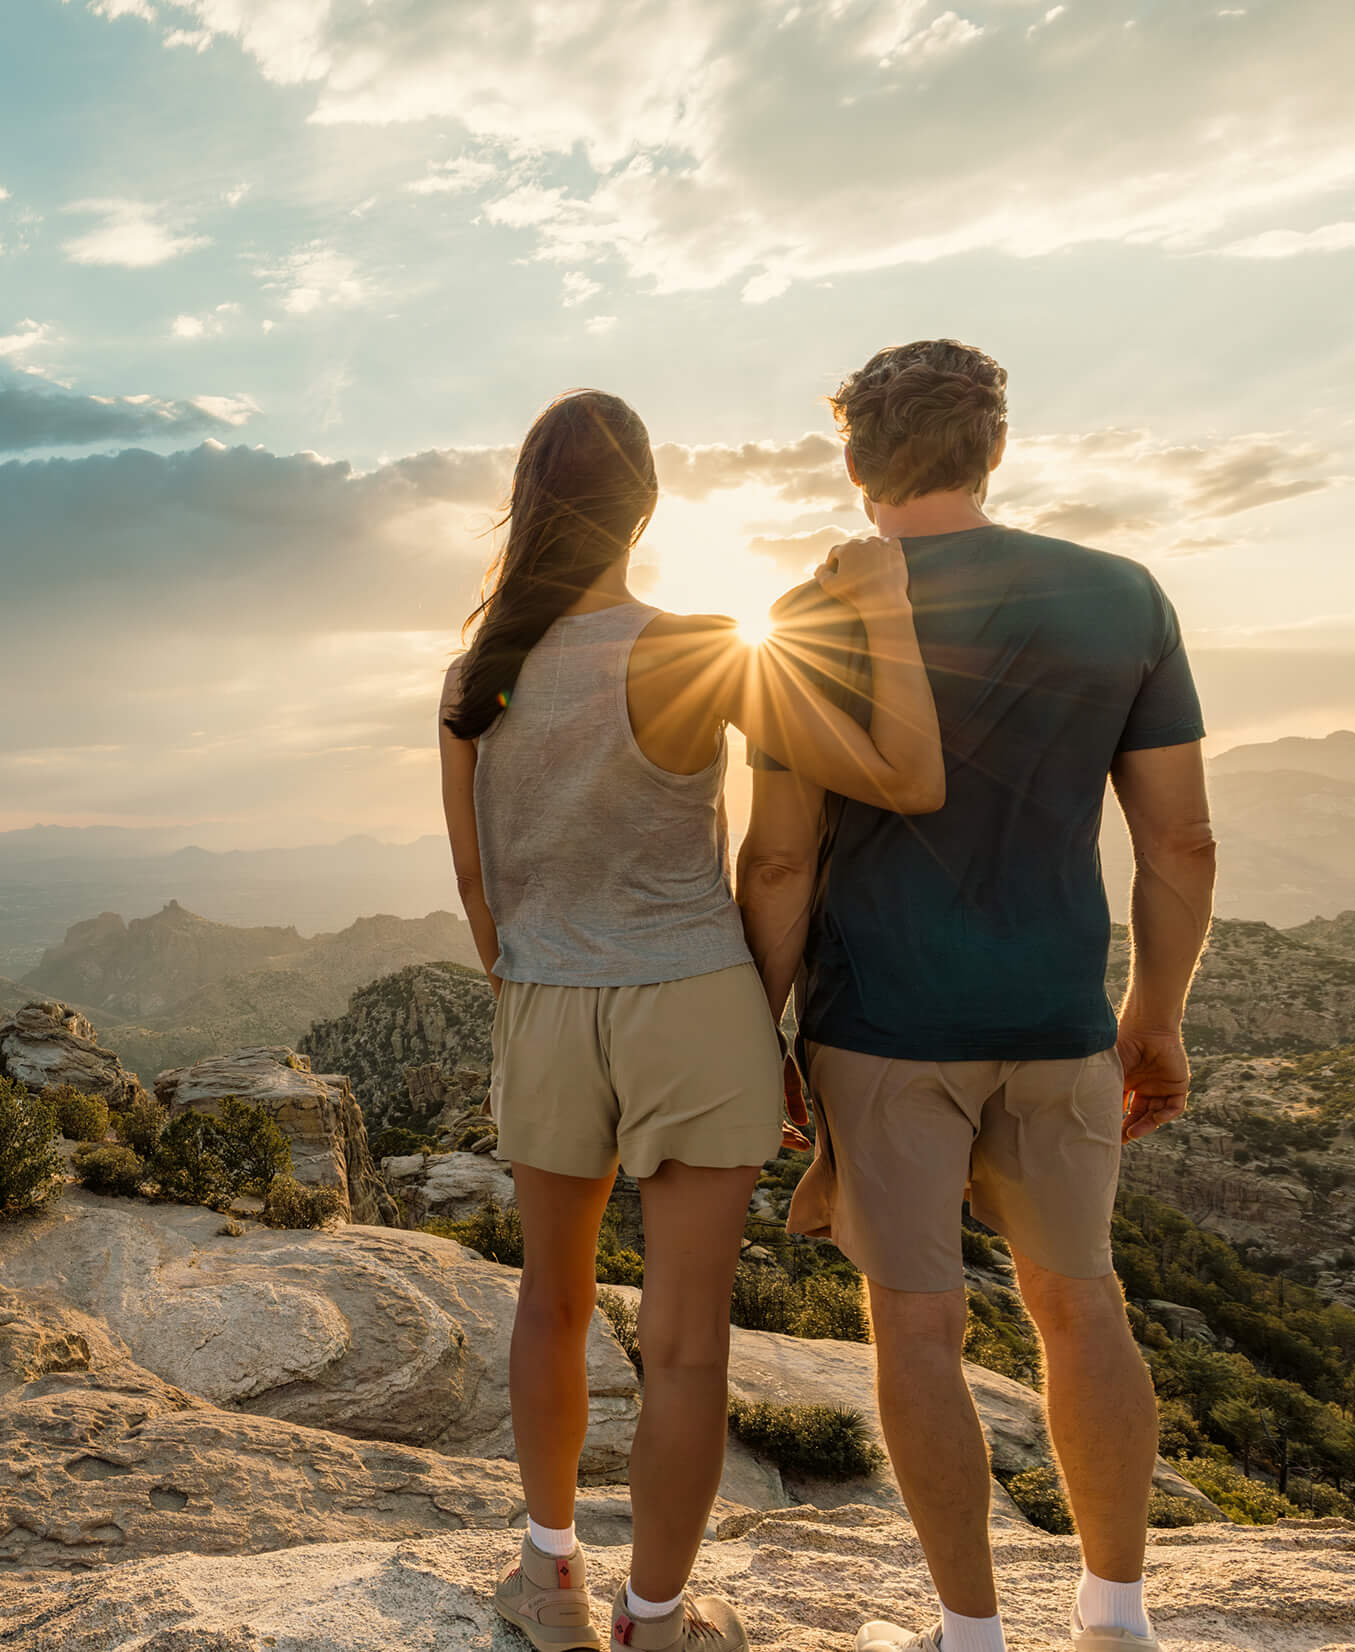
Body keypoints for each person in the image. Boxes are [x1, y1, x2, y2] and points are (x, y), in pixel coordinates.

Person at [441, 389, 948, 1652]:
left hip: (544, 1000)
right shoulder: (695, 646)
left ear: (524, 502)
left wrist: (535, 994)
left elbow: (475, 888)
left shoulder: (476, 677)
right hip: (697, 1002)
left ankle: (549, 1579)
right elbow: (863, 804)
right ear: (648, 505)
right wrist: (754, 1022)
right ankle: (654, 1618)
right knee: (684, 1341)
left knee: (552, 1304)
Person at [735, 340, 1217, 1652]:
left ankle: (970, 1635)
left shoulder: (808, 616)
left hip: (878, 1027)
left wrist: (757, 1033)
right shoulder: (1122, 596)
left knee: (916, 1324)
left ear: (853, 461)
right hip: (1060, 1019)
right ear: (992, 448)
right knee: (1082, 1305)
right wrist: (1154, 1013)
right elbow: (1179, 843)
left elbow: (779, 857)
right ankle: (1115, 1618)